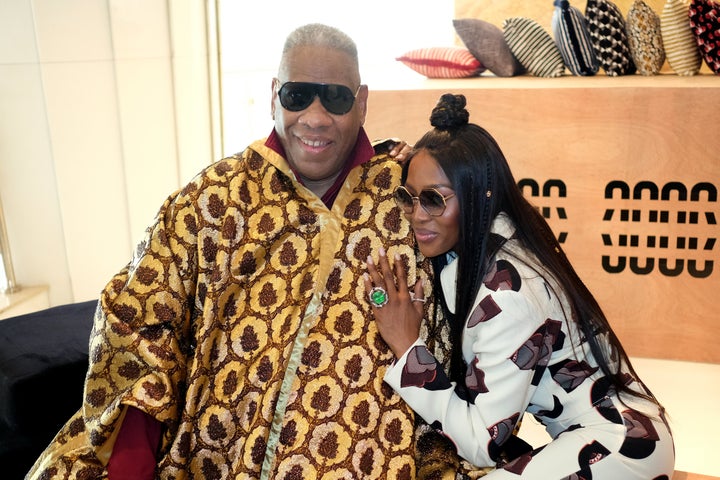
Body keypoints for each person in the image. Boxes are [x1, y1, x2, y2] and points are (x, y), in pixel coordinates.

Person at [27, 23, 431, 480]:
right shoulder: (213, 197)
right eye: (298, 96)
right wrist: (132, 461)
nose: (315, 118)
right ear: (275, 93)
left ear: (361, 102)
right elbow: (135, 314)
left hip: (367, 447)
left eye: (335, 98)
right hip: (216, 447)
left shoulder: (407, 199)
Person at [364, 93, 675, 479]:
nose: (416, 215)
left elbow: (483, 442)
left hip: (619, 446)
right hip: (604, 435)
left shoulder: (509, 294)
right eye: (407, 198)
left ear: (480, 196)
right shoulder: (496, 237)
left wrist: (407, 347)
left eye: (433, 200)